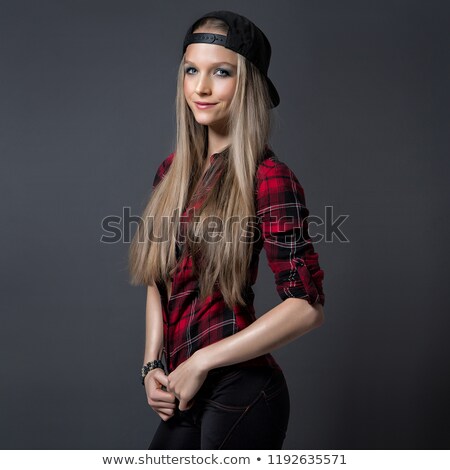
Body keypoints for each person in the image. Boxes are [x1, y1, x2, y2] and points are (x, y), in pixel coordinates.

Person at [128, 10, 325, 450]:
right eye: (191, 70)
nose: (201, 87)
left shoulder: (268, 177)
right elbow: (159, 281)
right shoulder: (171, 174)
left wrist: (202, 360)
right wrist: (149, 366)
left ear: (247, 84)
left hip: (243, 389)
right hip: (185, 388)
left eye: (221, 72)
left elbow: (306, 305)